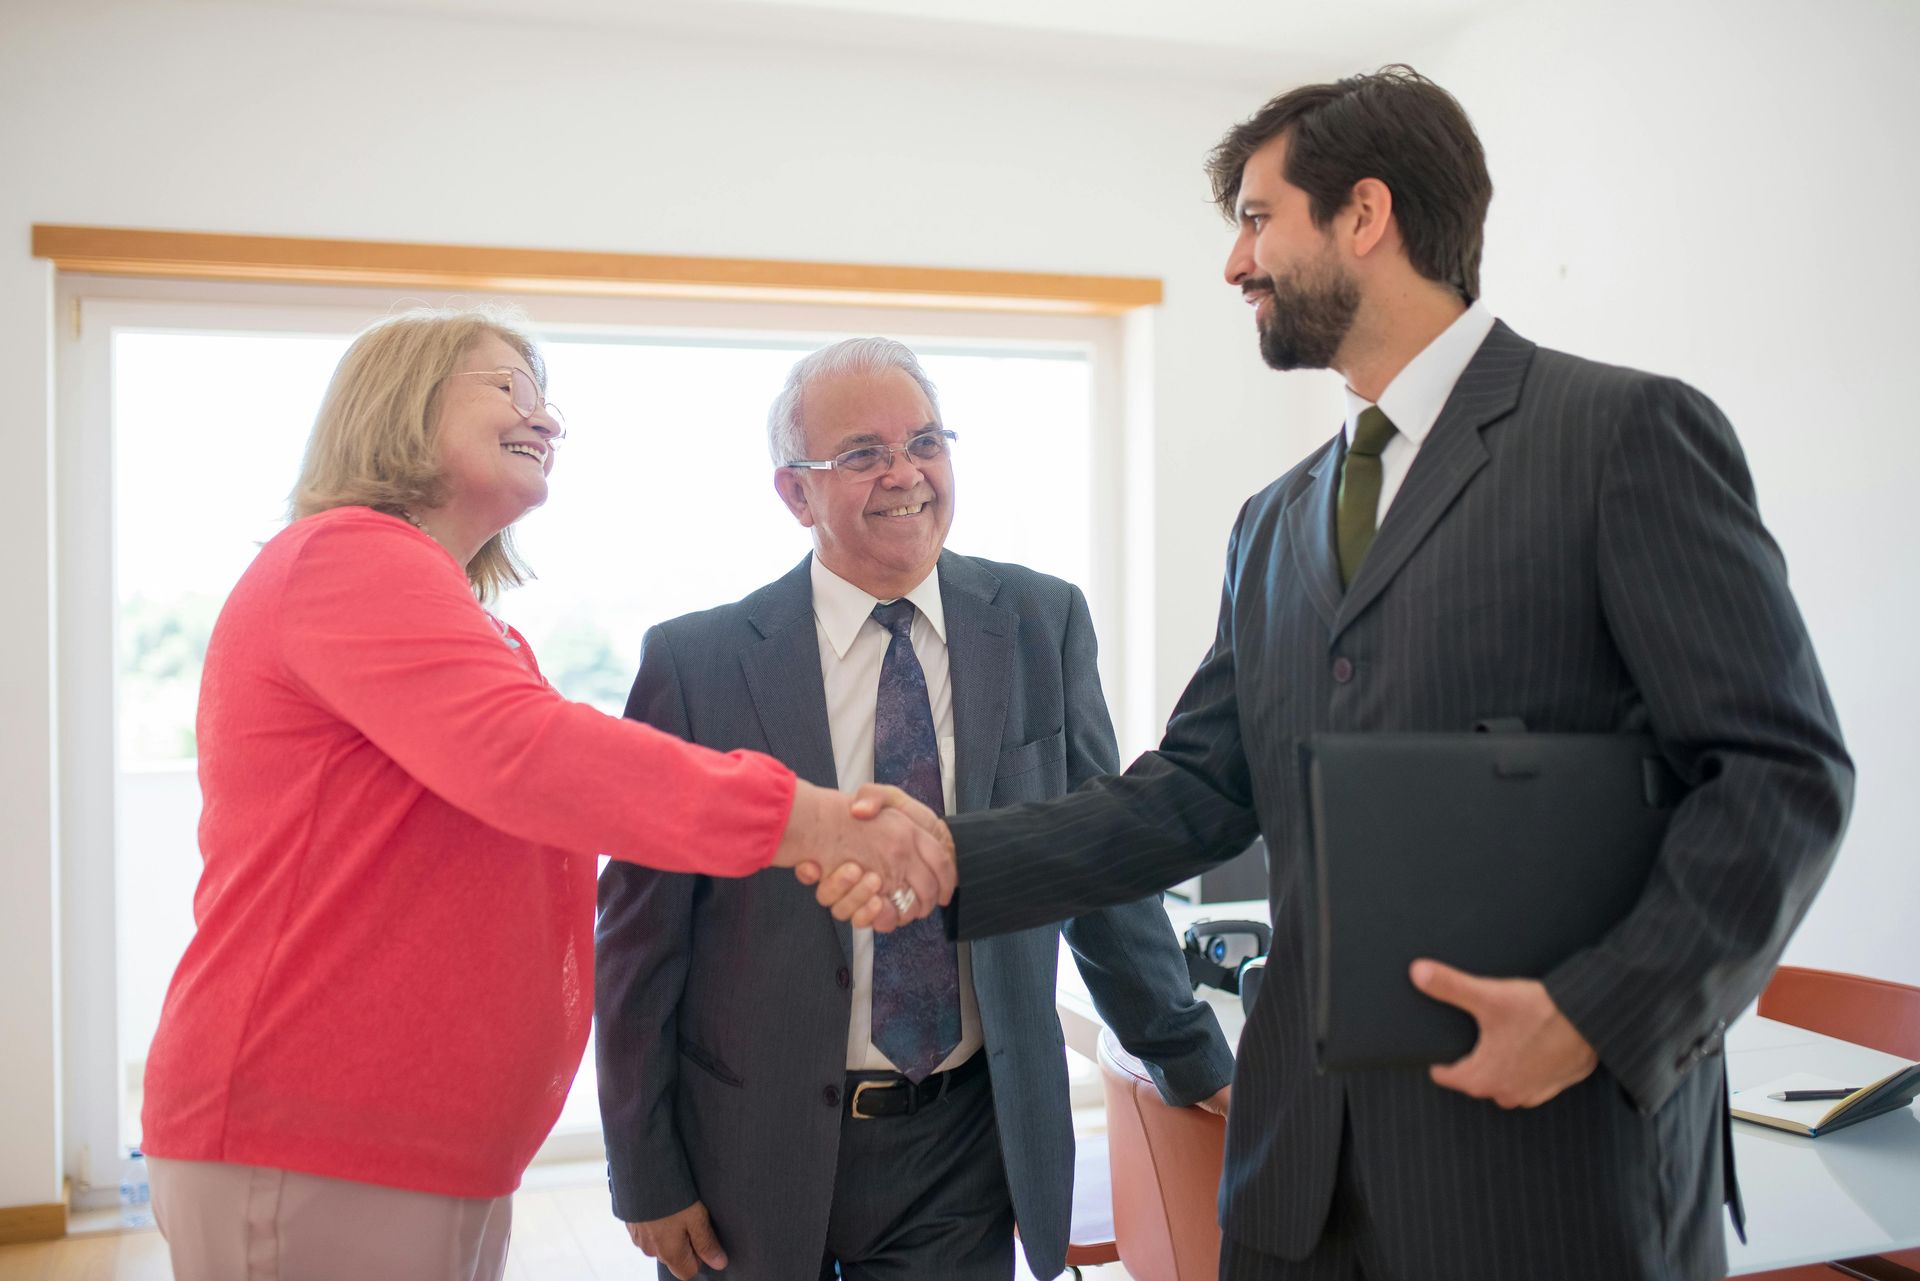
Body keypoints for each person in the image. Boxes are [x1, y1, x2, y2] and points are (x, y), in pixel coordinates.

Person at [893, 67, 1853, 1280]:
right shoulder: (1273, 520)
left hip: (1551, 1172)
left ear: (1365, 215)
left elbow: (1781, 774)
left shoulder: (1623, 437)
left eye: (1254, 217)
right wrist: (947, 860)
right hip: (1299, 1183)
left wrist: (1599, 1016)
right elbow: (1194, 790)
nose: (1234, 265)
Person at [138, 310, 952, 1281]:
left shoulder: (461, 618)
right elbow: (538, 758)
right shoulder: (344, 559)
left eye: (547, 397)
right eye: (509, 388)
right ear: (398, 405)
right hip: (316, 1129)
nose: (546, 417)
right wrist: (814, 819)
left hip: (412, 1145)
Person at [594, 337, 1235, 1281]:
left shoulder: (1037, 622)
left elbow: (1100, 866)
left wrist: (1194, 1060)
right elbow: (641, 942)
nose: (905, 473)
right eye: (861, 453)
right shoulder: (697, 666)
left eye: (926, 441)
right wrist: (645, 1171)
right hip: (749, 1144)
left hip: (963, 1144)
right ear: (794, 493)